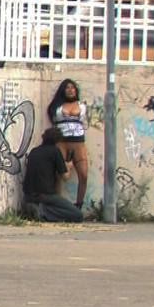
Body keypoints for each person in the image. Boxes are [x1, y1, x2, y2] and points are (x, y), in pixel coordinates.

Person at [23, 128, 84, 223]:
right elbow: (65, 177)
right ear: (58, 142)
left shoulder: (34, 151)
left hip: (28, 195)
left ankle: (36, 208)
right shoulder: (55, 151)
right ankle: (42, 212)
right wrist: (69, 167)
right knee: (77, 215)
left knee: (55, 203)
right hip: (45, 195)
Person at [47, 78, 88, 209]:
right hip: (62, 143)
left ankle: (79, 204)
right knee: (58, 175)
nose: (70, 90)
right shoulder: (57, 106)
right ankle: (58, 204)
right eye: (67, 88)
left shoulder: (82, 105)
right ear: (63, 91)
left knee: (84, 175)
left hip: (78, 143)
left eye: (73, 88)